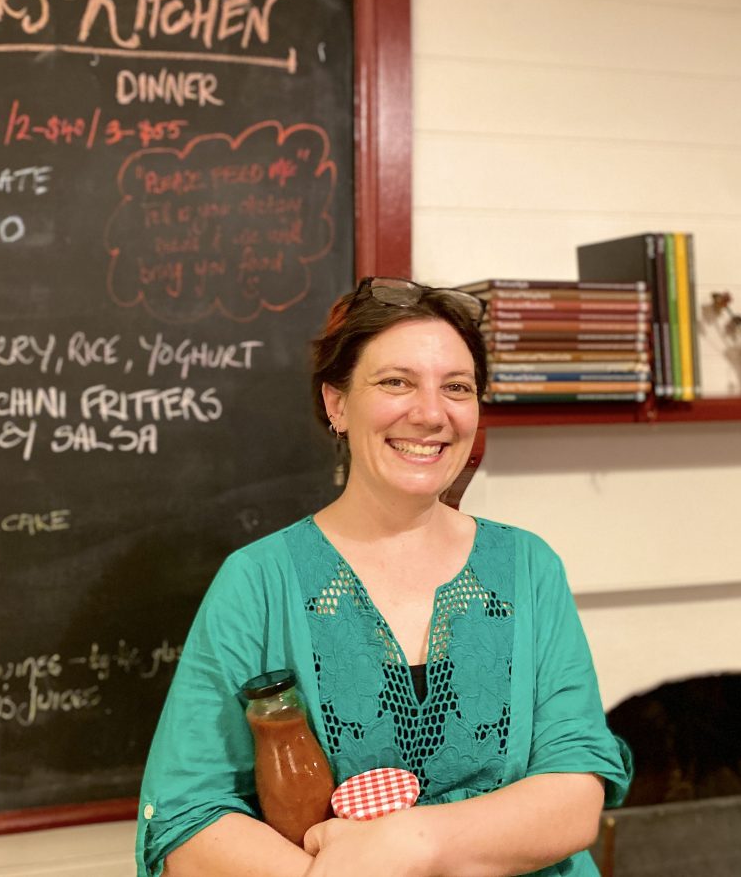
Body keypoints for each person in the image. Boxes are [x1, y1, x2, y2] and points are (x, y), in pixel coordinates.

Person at [135, 276, 632, 877]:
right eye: (395, 382)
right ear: (337, 404)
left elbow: (575, 795)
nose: (430, 413)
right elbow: (188, 819)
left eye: (456, 387)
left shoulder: (529, 567)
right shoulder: (257, 582)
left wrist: (408, 844)